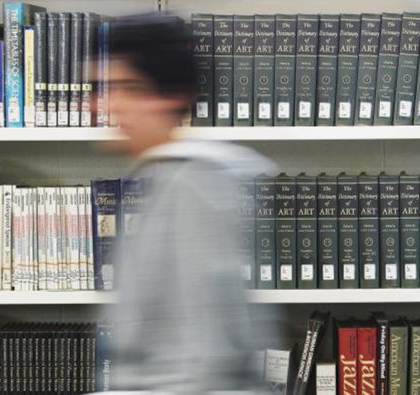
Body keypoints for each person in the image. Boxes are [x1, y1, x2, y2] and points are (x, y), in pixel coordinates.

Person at [98, 14, 278, 393]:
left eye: (127, 87)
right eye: (105, 87)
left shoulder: (192, 185)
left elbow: (200, 359)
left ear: (171, 97)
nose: (111, 104)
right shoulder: (165, 178)